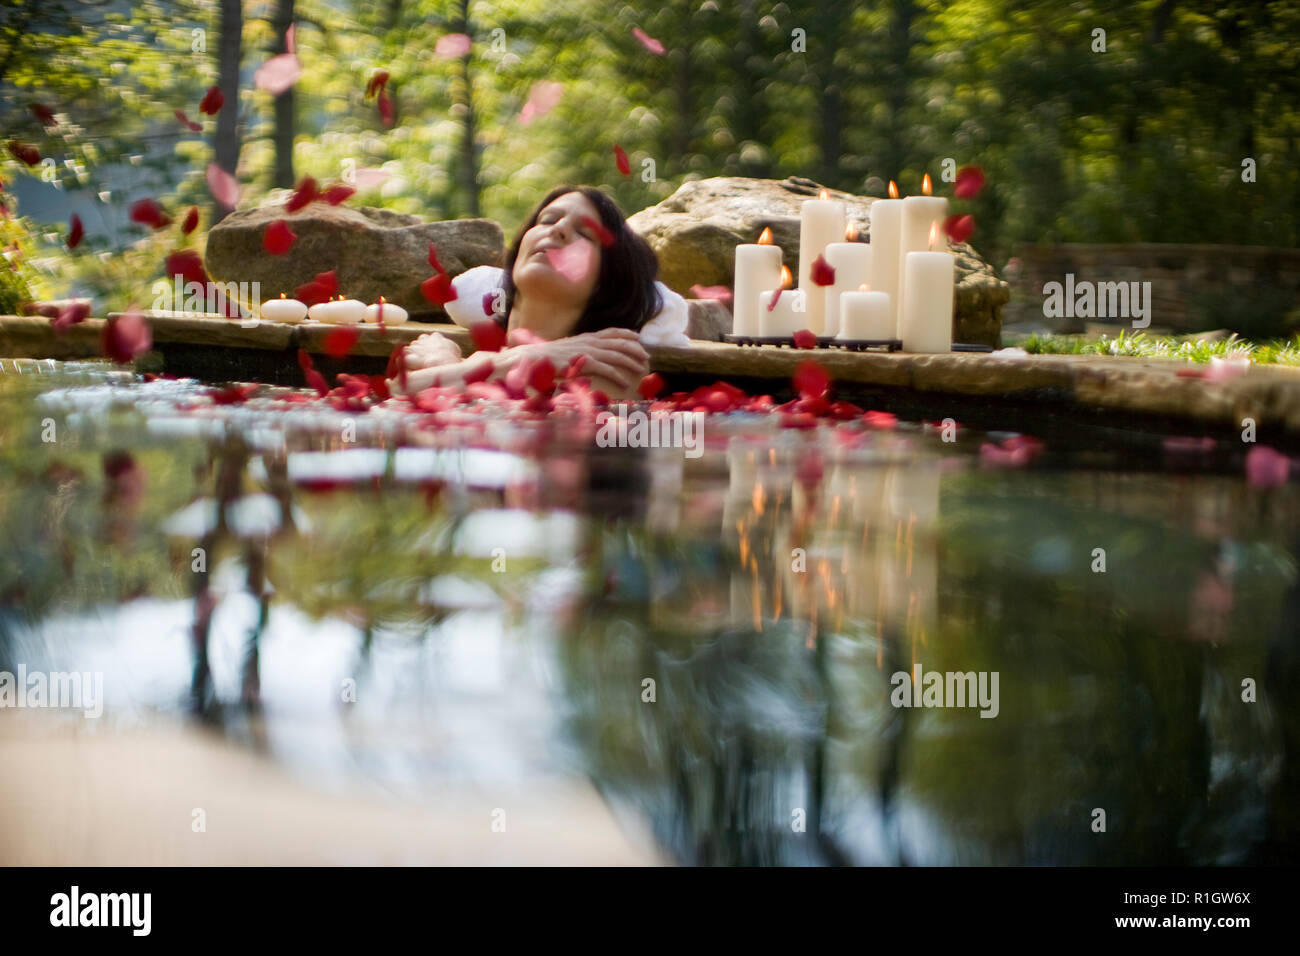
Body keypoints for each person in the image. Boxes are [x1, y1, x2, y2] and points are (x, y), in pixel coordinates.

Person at [390, 185, 690, 398]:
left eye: (585, 233)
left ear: (605, 280)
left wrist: (442, 366)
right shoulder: (471, 358)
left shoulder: (612, 362)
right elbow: (392, 396)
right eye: (547, 220)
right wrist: (526, 358)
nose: (557, 229)